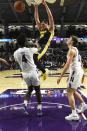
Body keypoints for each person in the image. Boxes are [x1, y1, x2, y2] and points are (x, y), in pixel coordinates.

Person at [14, 33, 47, 116]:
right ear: (25, 42)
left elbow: (18, 63)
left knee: (29, 90)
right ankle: (39, 109)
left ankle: (24, 105)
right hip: (32, 72)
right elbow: (39, 47)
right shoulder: (30, 50)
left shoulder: (15, 53)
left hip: (25, 73)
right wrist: (30, 43)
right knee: (38, 90)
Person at [57, 36, 87, 121]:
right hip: (77, 72)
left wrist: (60, 76)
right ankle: (84, 105)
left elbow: (67, 65)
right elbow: (78, 63)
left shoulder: (72, 50)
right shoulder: (75, 49)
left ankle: (74, 114)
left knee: (69, 92)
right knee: (73, 91)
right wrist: (70, 75)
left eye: (69, 39)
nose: (68, 40)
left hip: (76, 73)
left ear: (72, 41)